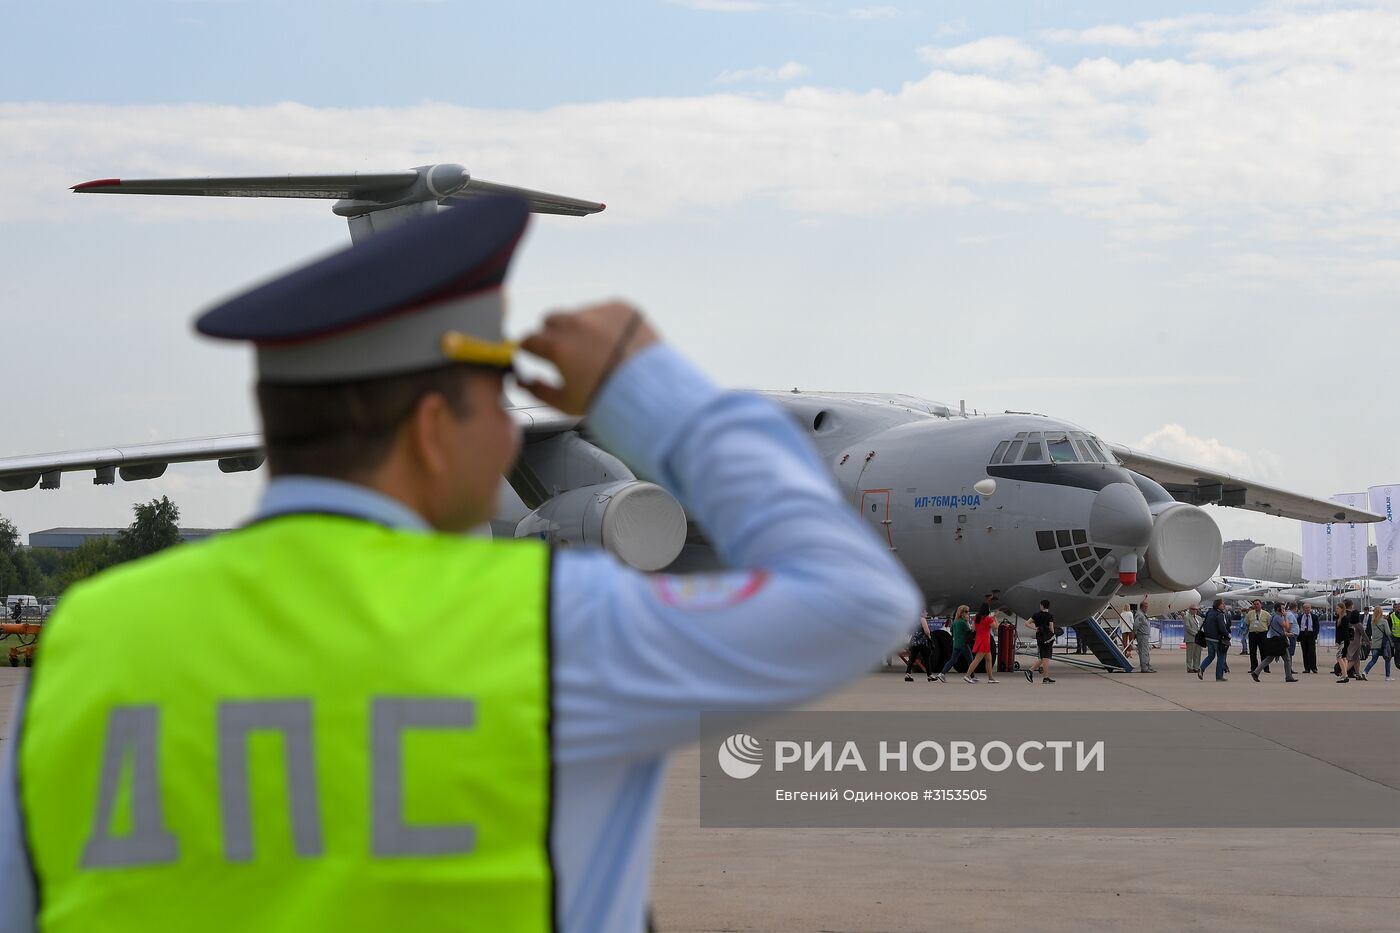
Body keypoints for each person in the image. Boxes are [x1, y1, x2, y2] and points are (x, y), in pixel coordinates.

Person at [0, 199, 922, 932]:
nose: (510, 439)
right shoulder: (553, 628)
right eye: (497, 407)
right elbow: (854, 597)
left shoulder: (91, 642)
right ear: (437, 431)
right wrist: (659, 394)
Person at [1250, 603, 1297, 683]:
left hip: (1275, 639)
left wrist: (1286, 633)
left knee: (1269, 658)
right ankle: (1288, 677)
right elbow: (1287, 627)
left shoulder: (1273, 617)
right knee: (1287, 659)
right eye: (1282, 608)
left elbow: (1278, 630)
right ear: (1278, 609)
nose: (1284, 610)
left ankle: (1256, 672)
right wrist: (1285, 616)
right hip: (1279, 641)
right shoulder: (1278, 617)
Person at [1023, 599, 1057, 684]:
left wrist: (1035, 628)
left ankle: (1042, 676)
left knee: (1043, 657)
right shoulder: (1050, 616)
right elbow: (1051, 628)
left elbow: (1026, 623)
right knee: (1045, 658)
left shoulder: (1036, 615)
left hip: (1040, 637)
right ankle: (1034, 673)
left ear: (1042, 605)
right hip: (1048, 638)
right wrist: (1053, 635)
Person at [938, 605, 973, 683]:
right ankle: (971, 676)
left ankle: (942, 673)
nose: (968, 613)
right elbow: (969, 632)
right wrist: (968, 622)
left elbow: (951, 631)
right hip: (963, 644)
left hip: (955, 644)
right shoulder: (963, 622)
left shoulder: (955, 622)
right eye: (967, 612)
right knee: (970, 659)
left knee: (953, 660)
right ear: (962, 613)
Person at [1198, 598, 1230, 681]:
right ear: (1218, 605)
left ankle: (1202, 668)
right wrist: (1228, 634)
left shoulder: (1209, 612)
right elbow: (1222, 627)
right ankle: (1219, 676)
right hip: (1217, 639)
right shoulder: (1219, 614)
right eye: (1222, 604)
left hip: (1208, 638)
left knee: (1211, 655)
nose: (1224, 605)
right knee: (1221, 657)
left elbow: (1205, 623)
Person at [1338, 599, 1369, 683]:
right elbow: (1364, 634)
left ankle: (1358, 674)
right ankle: (1343, 672)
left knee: (1356, 658)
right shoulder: (1358, 624)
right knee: (1352, 659)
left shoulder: (1349, 621)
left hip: (1350, 640)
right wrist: (1368, 642)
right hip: (1356, 642)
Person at [966, 608, 999, 684]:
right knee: (977, 660)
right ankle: (967, 675)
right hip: (985, 641)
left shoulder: (976, 618)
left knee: (989, 660)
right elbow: (996, 627)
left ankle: (990, 678)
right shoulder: (988, 619)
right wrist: (995, 618)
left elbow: (973, 628)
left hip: (979, 639)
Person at [1361, 606, 1393, 682]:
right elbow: (1388, 632)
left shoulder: (1373, 621)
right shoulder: (1384, 621)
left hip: (1375, 643)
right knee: (1387, 659)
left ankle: (1365, 672)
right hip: (1383, 644)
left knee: (1373, 660)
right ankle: (1387, 676)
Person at [904, 612, 936, 682]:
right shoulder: (922, 619)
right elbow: (926, 631)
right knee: (927, 658)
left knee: (912, 658)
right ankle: (930, 675)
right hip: (922, 642)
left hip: (914, 642)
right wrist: (929, 636)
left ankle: (907, 674)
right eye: (925, 612)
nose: (927, 613)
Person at [1243, 599, 1269, 672]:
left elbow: (1269, 623)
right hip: (1253, 634)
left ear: (1261, 605)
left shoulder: (1266, 614)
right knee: (1252, 651)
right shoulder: (1250, 614)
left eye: (1257, 604)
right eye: (1255, 604)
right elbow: (1247, 623)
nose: (1256, 606)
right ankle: (1253, 668)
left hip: (1263, 634)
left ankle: (1265, 668)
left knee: (1264, 651)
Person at [1132, 601, 1156, 673]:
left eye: (1147, 607)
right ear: (1142, 607)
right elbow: (1136, 625)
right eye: (1145, 607)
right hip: (1142, 635)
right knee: (1143, 651)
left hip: (1145, 635)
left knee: (1146, 651)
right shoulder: (1139, 614)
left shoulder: (1143, 614)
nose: (1147, 608)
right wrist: (1135, 633)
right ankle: (1144, 667)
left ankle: (1147, 665)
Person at [1296, 603, 1320, 674]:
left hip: (1311, 635)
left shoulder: (1314, 617)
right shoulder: (1300, 617)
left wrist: (1315, 635)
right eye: (1305, 608)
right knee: (1305, 652)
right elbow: (1298, 627)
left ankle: (1314, 668)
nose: (1307, 609)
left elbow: (1317, 627)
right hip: (1303, 635)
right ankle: (1307, 668)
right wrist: (1299, 636)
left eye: (1308, 608)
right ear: (1303, 609)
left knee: (1312, 652)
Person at [1183, 605, 1203, 674]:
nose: (1195, 610)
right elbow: (1188, 627)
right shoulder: (1186, 617)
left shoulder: (1199, 618)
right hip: (1191, 638)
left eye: (1196, 609)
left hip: (1199, 639)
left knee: (1197, 654)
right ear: (1190, 609)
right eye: (1193, 609)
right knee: (1190, 654)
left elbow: (1201, 627)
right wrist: (1196, 634)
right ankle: (1189, 667)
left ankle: (1196, 667)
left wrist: (1201, 634)